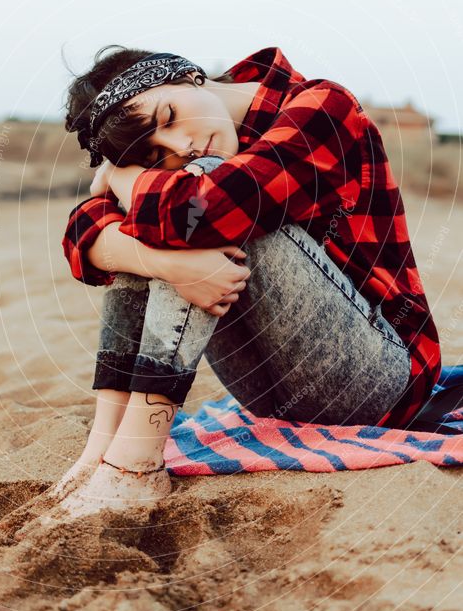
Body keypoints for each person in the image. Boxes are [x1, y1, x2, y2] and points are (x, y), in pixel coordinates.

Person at [50, 45, 442, 516]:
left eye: (169, 116)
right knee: (162, 218)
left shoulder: (325, 106)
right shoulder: (183, 161)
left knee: (197, 194)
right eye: (155, 154)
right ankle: (101, 446)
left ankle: (135, 464)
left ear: (187, 75)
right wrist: (167, 265)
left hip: (379, 380)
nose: (181, 148)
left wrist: (123, 179)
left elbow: (207, 208)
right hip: (269, 396)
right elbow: (80, 235)